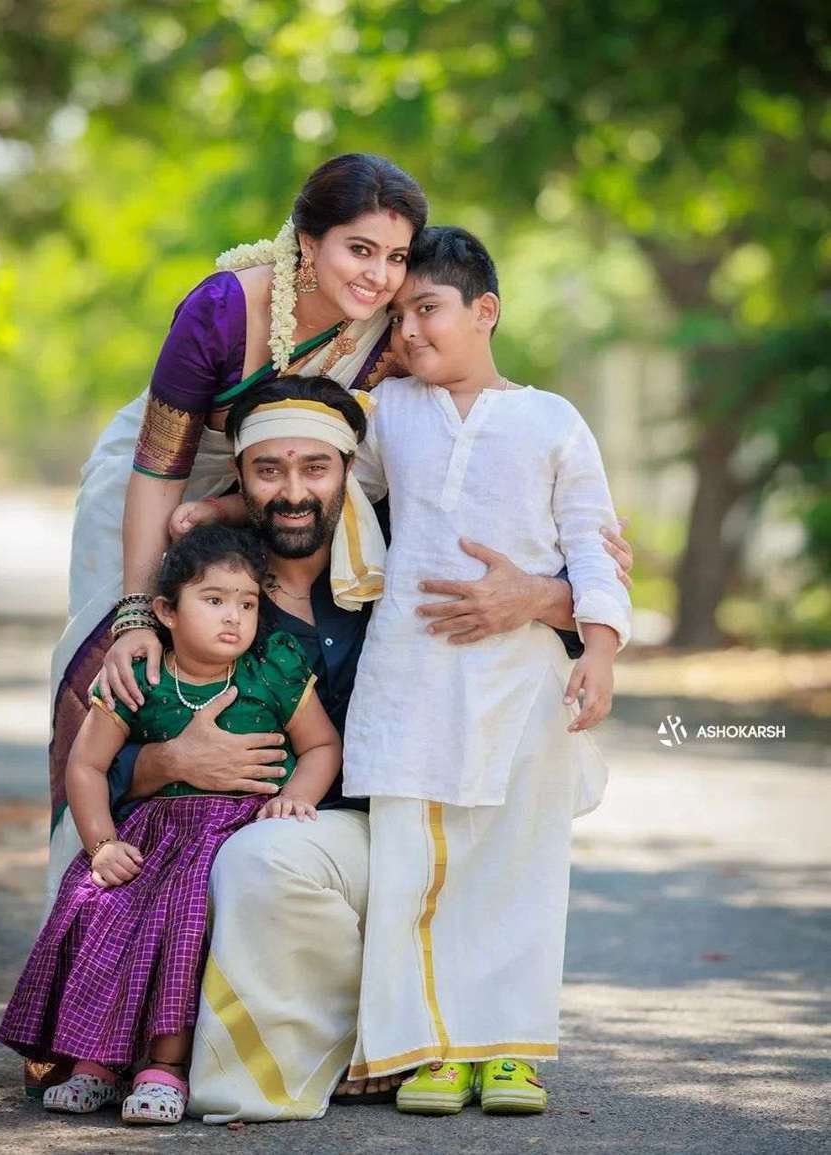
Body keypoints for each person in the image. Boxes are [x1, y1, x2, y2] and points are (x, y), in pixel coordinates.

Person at [119, 375, 633, 1122]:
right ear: (242, 478)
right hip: (308, 839)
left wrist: (543, 594)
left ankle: (419, 1043)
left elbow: (566, 588)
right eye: (268, 471)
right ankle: (332, 1058)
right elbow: (102, 744)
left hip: (416, 824)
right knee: (260, 859)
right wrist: (164, 762)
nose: (294, 492)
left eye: (315, 468)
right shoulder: (212, 590)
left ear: (350, 472)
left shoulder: (409, 549)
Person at [46, 152, 427, 903]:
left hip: (272, 482)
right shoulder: (224, 308)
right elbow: (160, 466)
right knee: (119, 668)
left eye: (396, 256)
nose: (380, 275)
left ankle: (204, 893)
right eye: (360, 249)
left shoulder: (389, 325)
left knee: (229, 650)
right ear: (308, 241)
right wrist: (135, 612)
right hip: (157, 480)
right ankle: (93, 890)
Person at [340, 226, 631, 1116]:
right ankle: (429, 1048)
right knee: (417, 864)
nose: (409, 330)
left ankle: (508, 1049)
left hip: (522, 682)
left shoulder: (553, 421)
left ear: (486, 310)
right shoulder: (388, 412)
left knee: (518, 863)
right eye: (398, 316)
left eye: (426, 308)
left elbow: (593, 540)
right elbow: (323, 479)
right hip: (411, 676)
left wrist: (600, 651)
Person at [0, 525, 340, 1125]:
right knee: (100, 905)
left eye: (247, 604)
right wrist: (102, 845)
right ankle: (96, 1062)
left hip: (235, 832)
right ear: (166, 611)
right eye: (214, 600)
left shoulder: (273, 671)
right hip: (152, 835)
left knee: (185, 917)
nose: (233, 617)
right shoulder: (140, 679)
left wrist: (293, 800)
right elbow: (86, 765)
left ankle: (165, 1069)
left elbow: (322, 747)